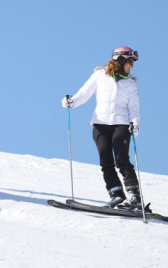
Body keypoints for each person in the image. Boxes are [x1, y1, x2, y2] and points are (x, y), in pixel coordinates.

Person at [61, 46, 142, 209]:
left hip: (122, 124)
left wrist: (135, 123)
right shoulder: (100, 76)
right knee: (105, 160)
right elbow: (84, 94)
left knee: (121, 159)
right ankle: (117, 194)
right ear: (120, 60)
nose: (132, 66)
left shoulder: (130, 84)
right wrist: (72, 102)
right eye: (130, 62)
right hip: (100, 124)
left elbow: (134, 107)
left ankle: (134, 197)